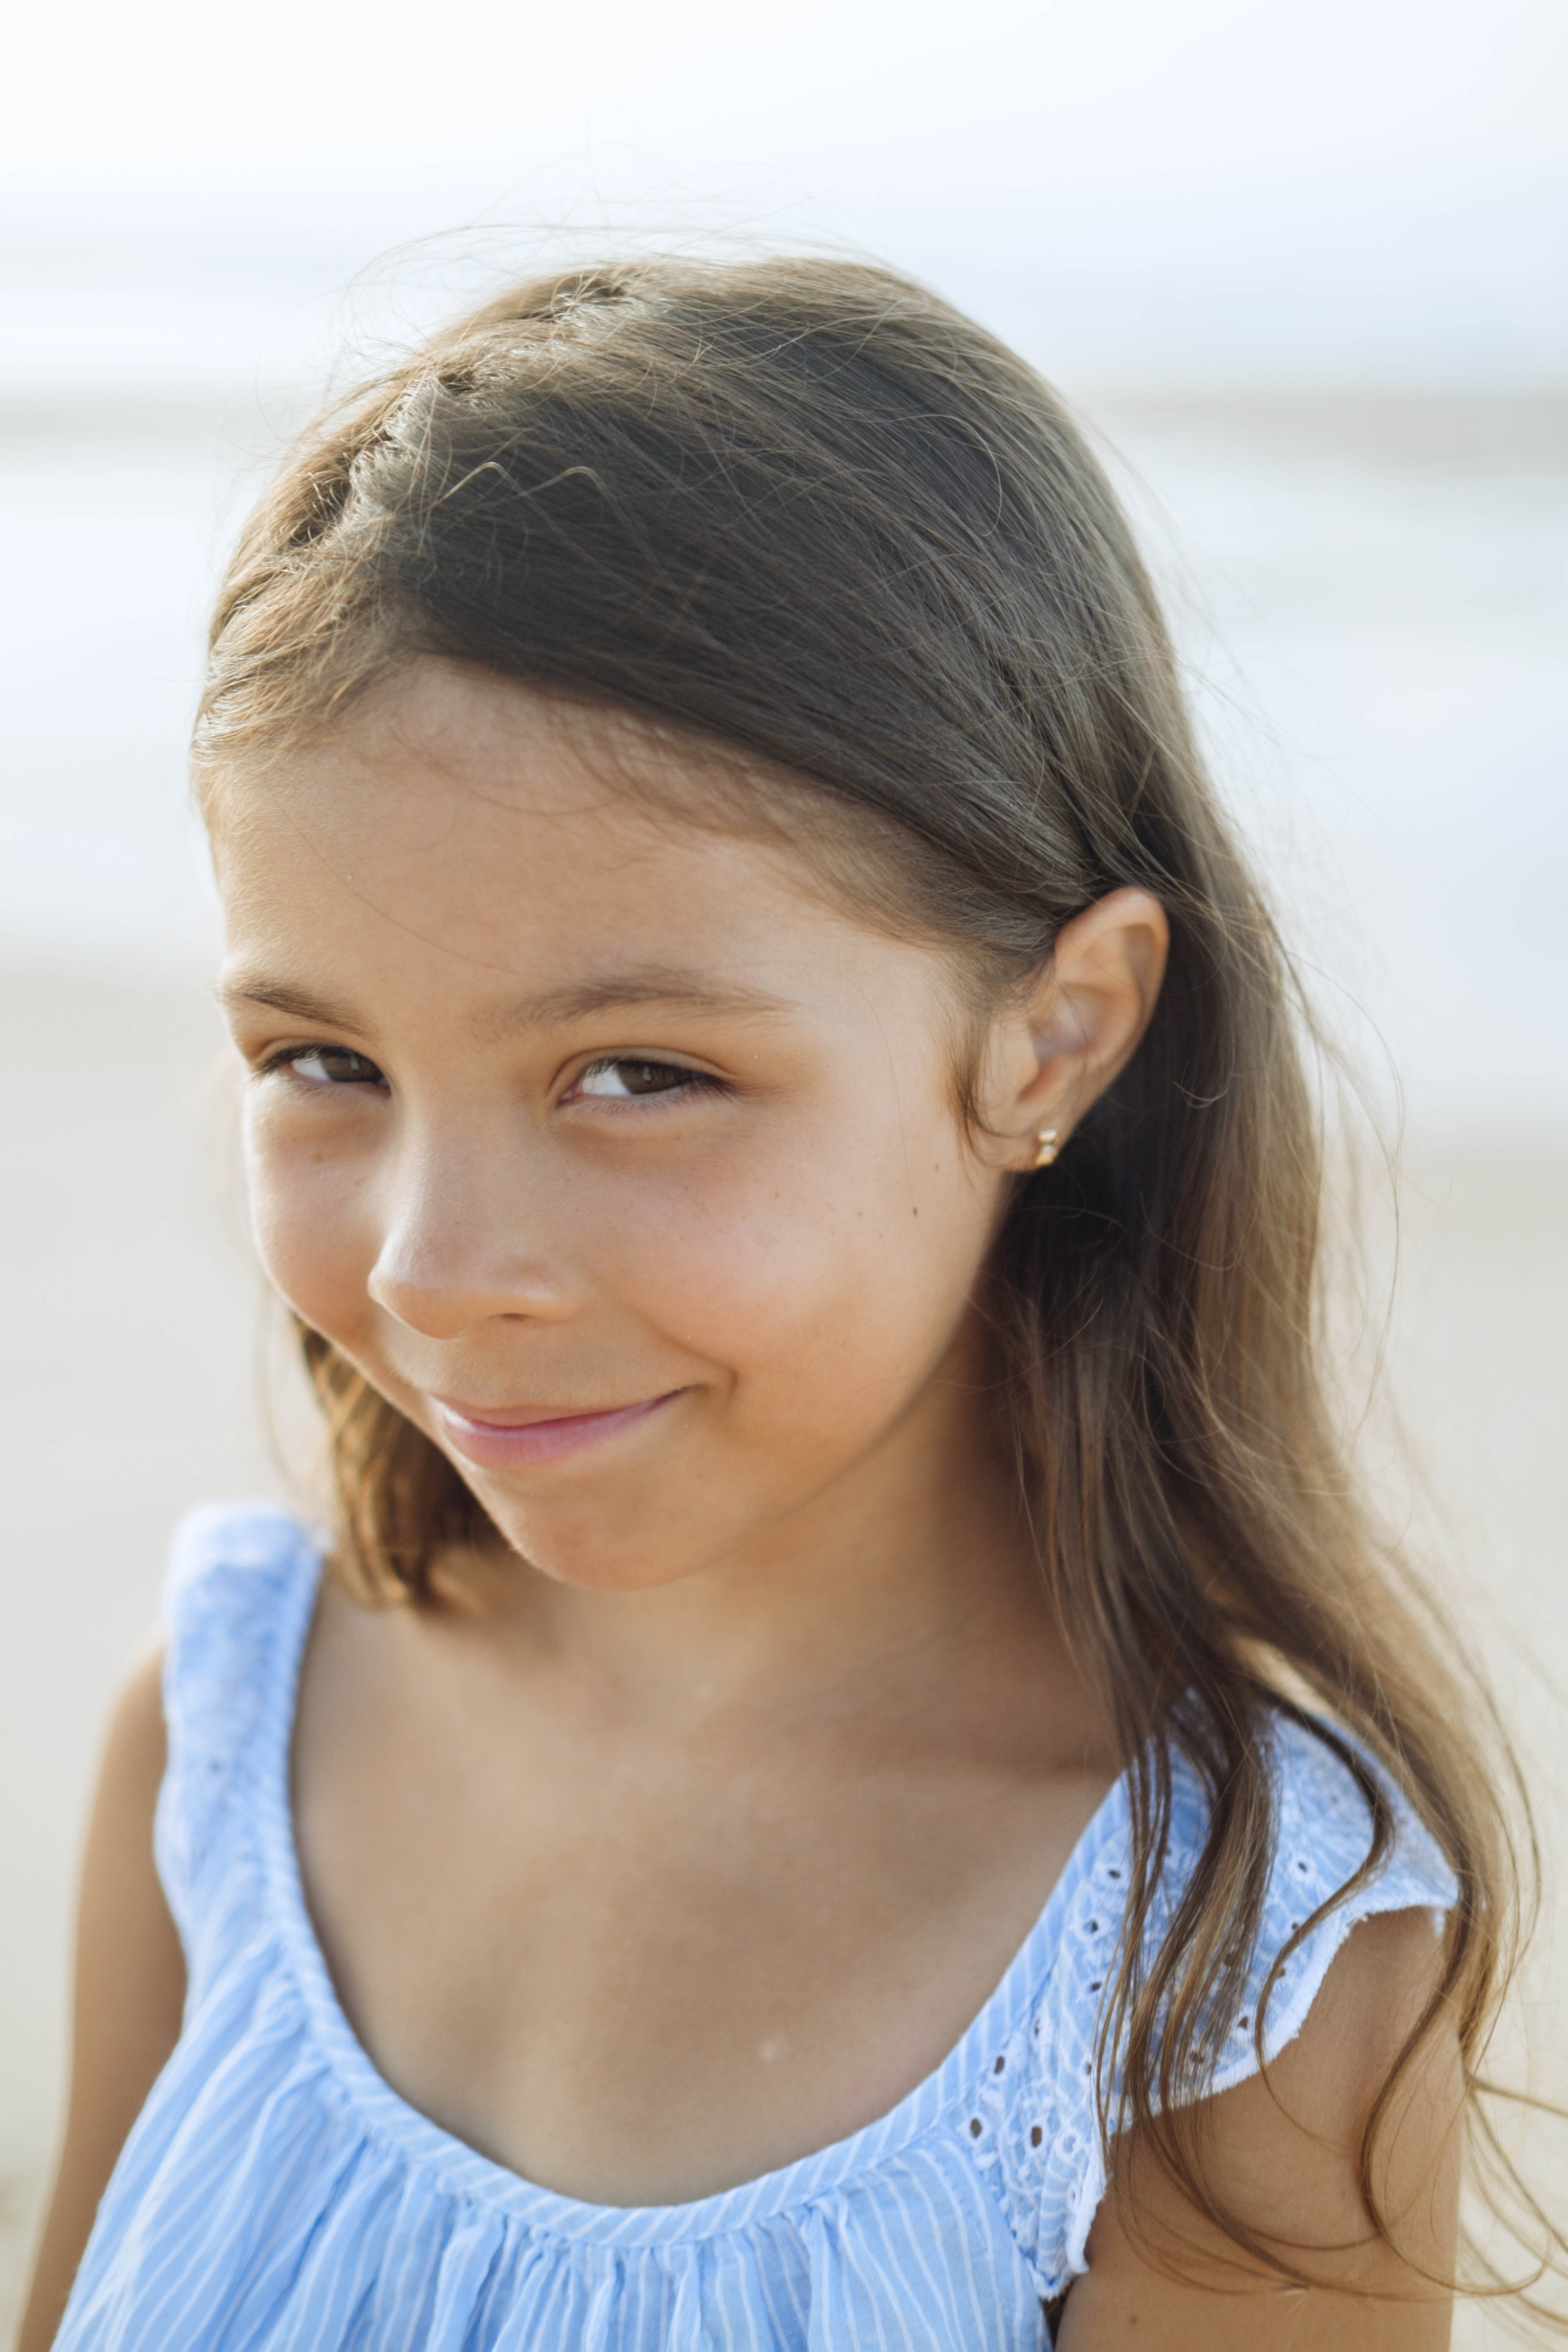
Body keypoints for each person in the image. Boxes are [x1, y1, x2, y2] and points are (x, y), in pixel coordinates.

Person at [18, 257, 1526, 2349]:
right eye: (323, 1062)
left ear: (1056, 1041)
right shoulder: (222, 1737)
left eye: (640, 1074)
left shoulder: (1220, 1981)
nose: (436, 1268)